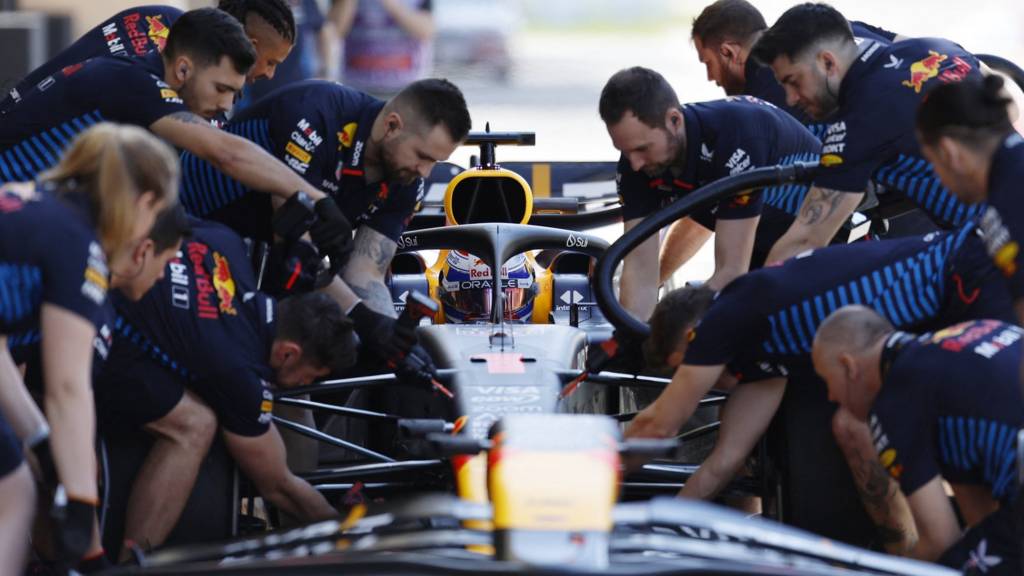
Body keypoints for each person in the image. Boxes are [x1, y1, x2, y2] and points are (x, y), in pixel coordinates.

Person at [628, 222, 1014, 547]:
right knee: (853, 428)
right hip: (944, 314)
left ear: (697, 333)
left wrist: (592, 480)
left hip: (970, 275)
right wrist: (654, 533)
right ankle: (910, 557)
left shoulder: (732, 313)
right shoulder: (759, 356)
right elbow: (722, 464)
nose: (704, 379)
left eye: (688, 365)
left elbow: (658, 425)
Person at [0, 8, 353, 276]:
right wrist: (317, 199)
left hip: (31, 212)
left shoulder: (143, 74)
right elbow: (224, 152)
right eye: (221, 89)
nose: (226, 106)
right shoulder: (133, 82)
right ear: (183, 70)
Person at [95, 216, 356, 558]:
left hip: (78, 271)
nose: (306, 384)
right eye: (311, 375)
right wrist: (350, 537)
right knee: (194, 426)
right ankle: (133, 562)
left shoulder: (227, 242)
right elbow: (279, 487)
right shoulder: (240, 373)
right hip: (83, 339)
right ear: (289, 352)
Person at [177, 78, 470, 368]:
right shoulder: (317, 116)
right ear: (391, 126)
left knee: (352, 356)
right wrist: (364, 320)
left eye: (436, 162)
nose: (425, 172)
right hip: (182, 229)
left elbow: (365, 272)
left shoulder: (406, 180)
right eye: (422, 156)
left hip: (258, 260)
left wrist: (395, 340)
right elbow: (295, 244)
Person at [0, 123, 178, 572]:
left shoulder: (28, 198)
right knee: (14, 493)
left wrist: (39, 439)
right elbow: (68, 387)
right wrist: (82, 505)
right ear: (144, 202)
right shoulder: (80, 246)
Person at [749, 3, 986, 264]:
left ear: (828, 62)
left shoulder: (855, 126)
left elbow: (805, 240)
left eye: (794, 82)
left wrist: (745, 299)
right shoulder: (936, 48)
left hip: (1001, 247)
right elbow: (1009, 104)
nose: (791, 99)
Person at [598, 66, 821, 320]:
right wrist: (630, 339)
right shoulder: (638, 162)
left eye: (642, 149)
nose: (635, 163)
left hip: (819, 239)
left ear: (674, 120)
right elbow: (640, 270)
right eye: (625, 151)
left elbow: (731, 271)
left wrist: (668, 328)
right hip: (760, 246)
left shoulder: (735, 136)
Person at [813, 306, 1022, 573]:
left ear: (848, 366)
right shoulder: (976, 327)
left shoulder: (896, 400)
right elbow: (981, 519)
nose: (831, 396)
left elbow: (939, 541)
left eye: (826, 380)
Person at [2, 1, 297, 115]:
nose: (270, 75)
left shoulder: (167, 18)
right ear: (251, 45)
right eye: (271, 62)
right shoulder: (176, 67)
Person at [915, 76, 1024, 326]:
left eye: (933, 163)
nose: (938, 177)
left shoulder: (1007, 203)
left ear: (948, 152)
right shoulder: (1013, 168)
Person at [691, 0, 898, 125]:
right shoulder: (839, 25)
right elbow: (915, 46)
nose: (710, 77)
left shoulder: (761, 96)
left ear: (729, 52)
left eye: (708, 63)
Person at [330, 0, 434, 96]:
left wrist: (391, 5)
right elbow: (333, 32)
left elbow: (426, 30)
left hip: (406, 89)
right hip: (356, 88)